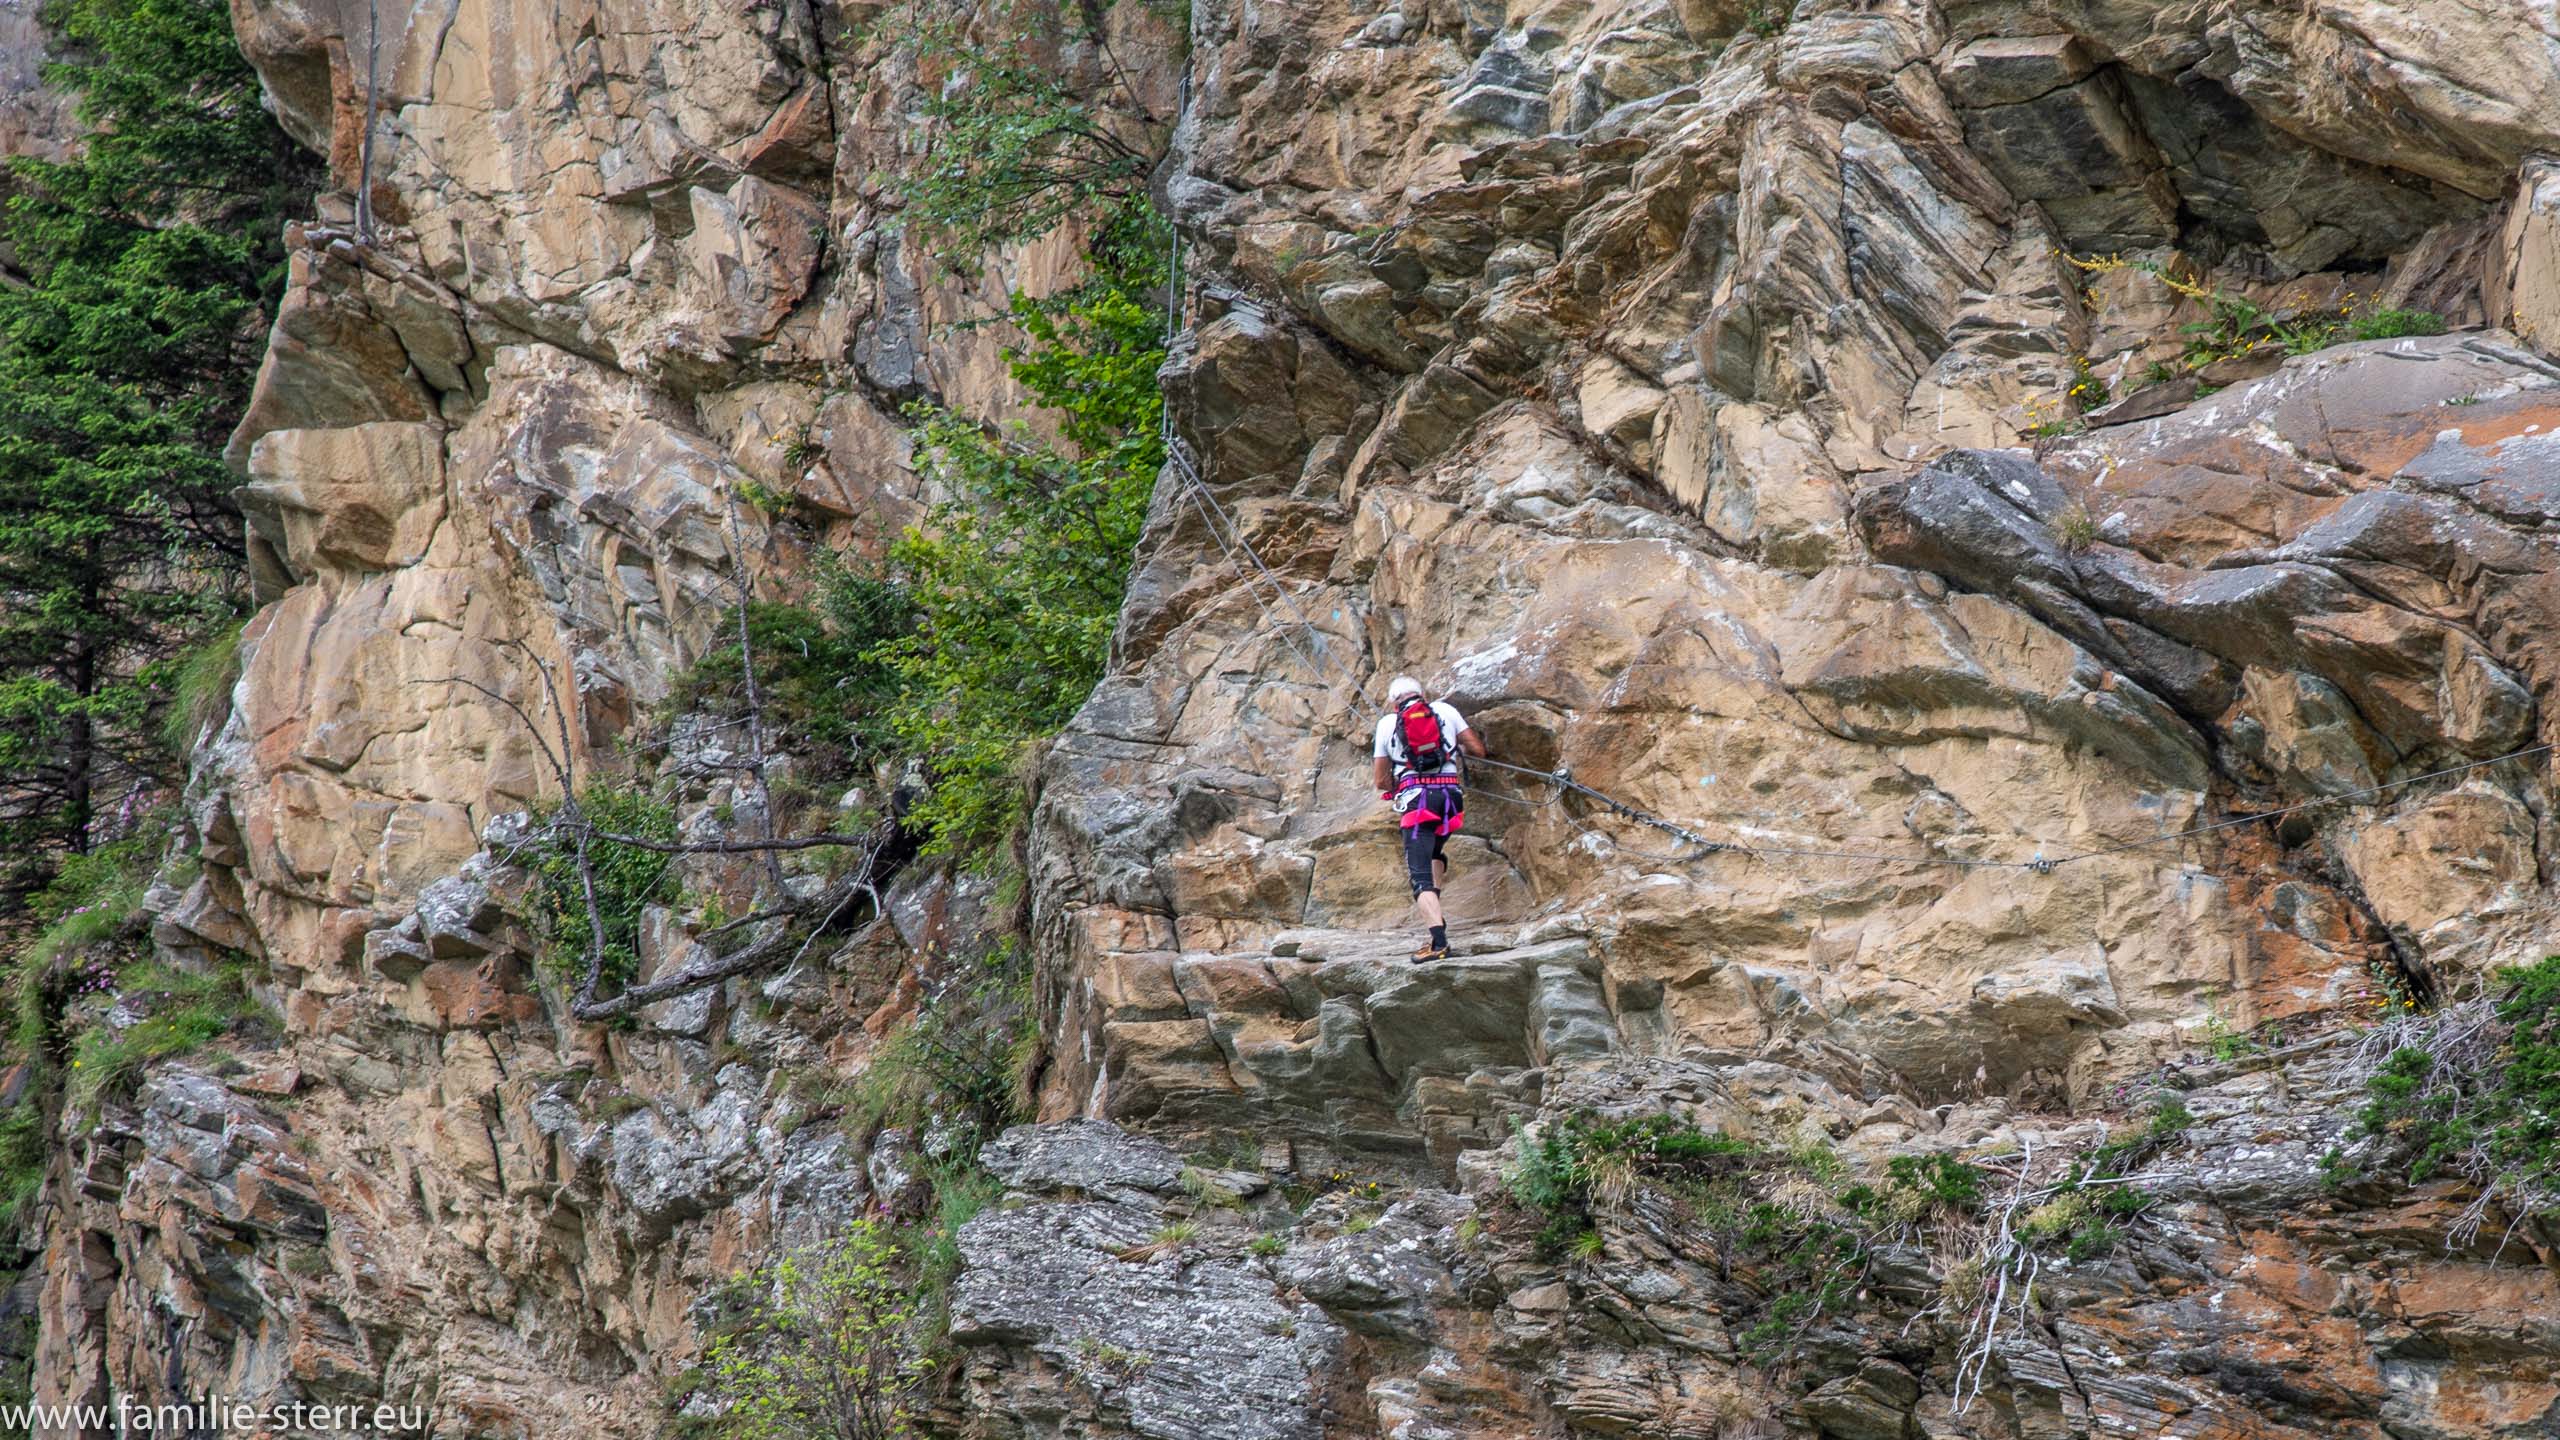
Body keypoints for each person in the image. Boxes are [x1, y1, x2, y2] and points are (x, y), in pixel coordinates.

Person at [1371, 676, 1486, 961]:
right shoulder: (1445, 711)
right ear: (1421, 694)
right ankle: (1439, 922)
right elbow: (1478, 750)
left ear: (1393, 701)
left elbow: (1380, 781)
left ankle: (1438, 944)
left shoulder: (1387, 724)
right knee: (1434, 852)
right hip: (1450, 800)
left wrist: (1400, 782)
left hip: (1418, 804)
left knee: (1419, 877)